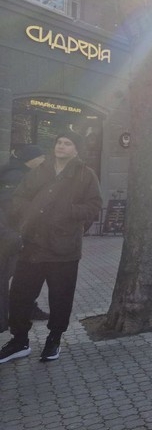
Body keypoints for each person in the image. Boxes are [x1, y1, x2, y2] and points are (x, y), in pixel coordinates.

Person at [0, 132, 101, 363]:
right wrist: (30, 214)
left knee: (61, 297)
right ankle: (19, 341)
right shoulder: (40, 170)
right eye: (59, 142)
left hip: (64, 250)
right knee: (20, 296)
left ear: (76, 150)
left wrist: (67, 215)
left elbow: (94, 207)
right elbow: (19, 197)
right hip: (33, 245)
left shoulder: (85, 175)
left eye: (68, 143)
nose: (61, 146)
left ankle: (54, 340)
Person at [0, 145, 48, 331]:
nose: (44, 160)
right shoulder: (15, 176)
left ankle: (26, 309)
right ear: (32, 159)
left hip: (16, 236)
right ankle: (8, 319)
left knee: (26, 275)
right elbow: (10, 206)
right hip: (11, 237)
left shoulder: (19, 172)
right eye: (41, 156)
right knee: (7, 277)